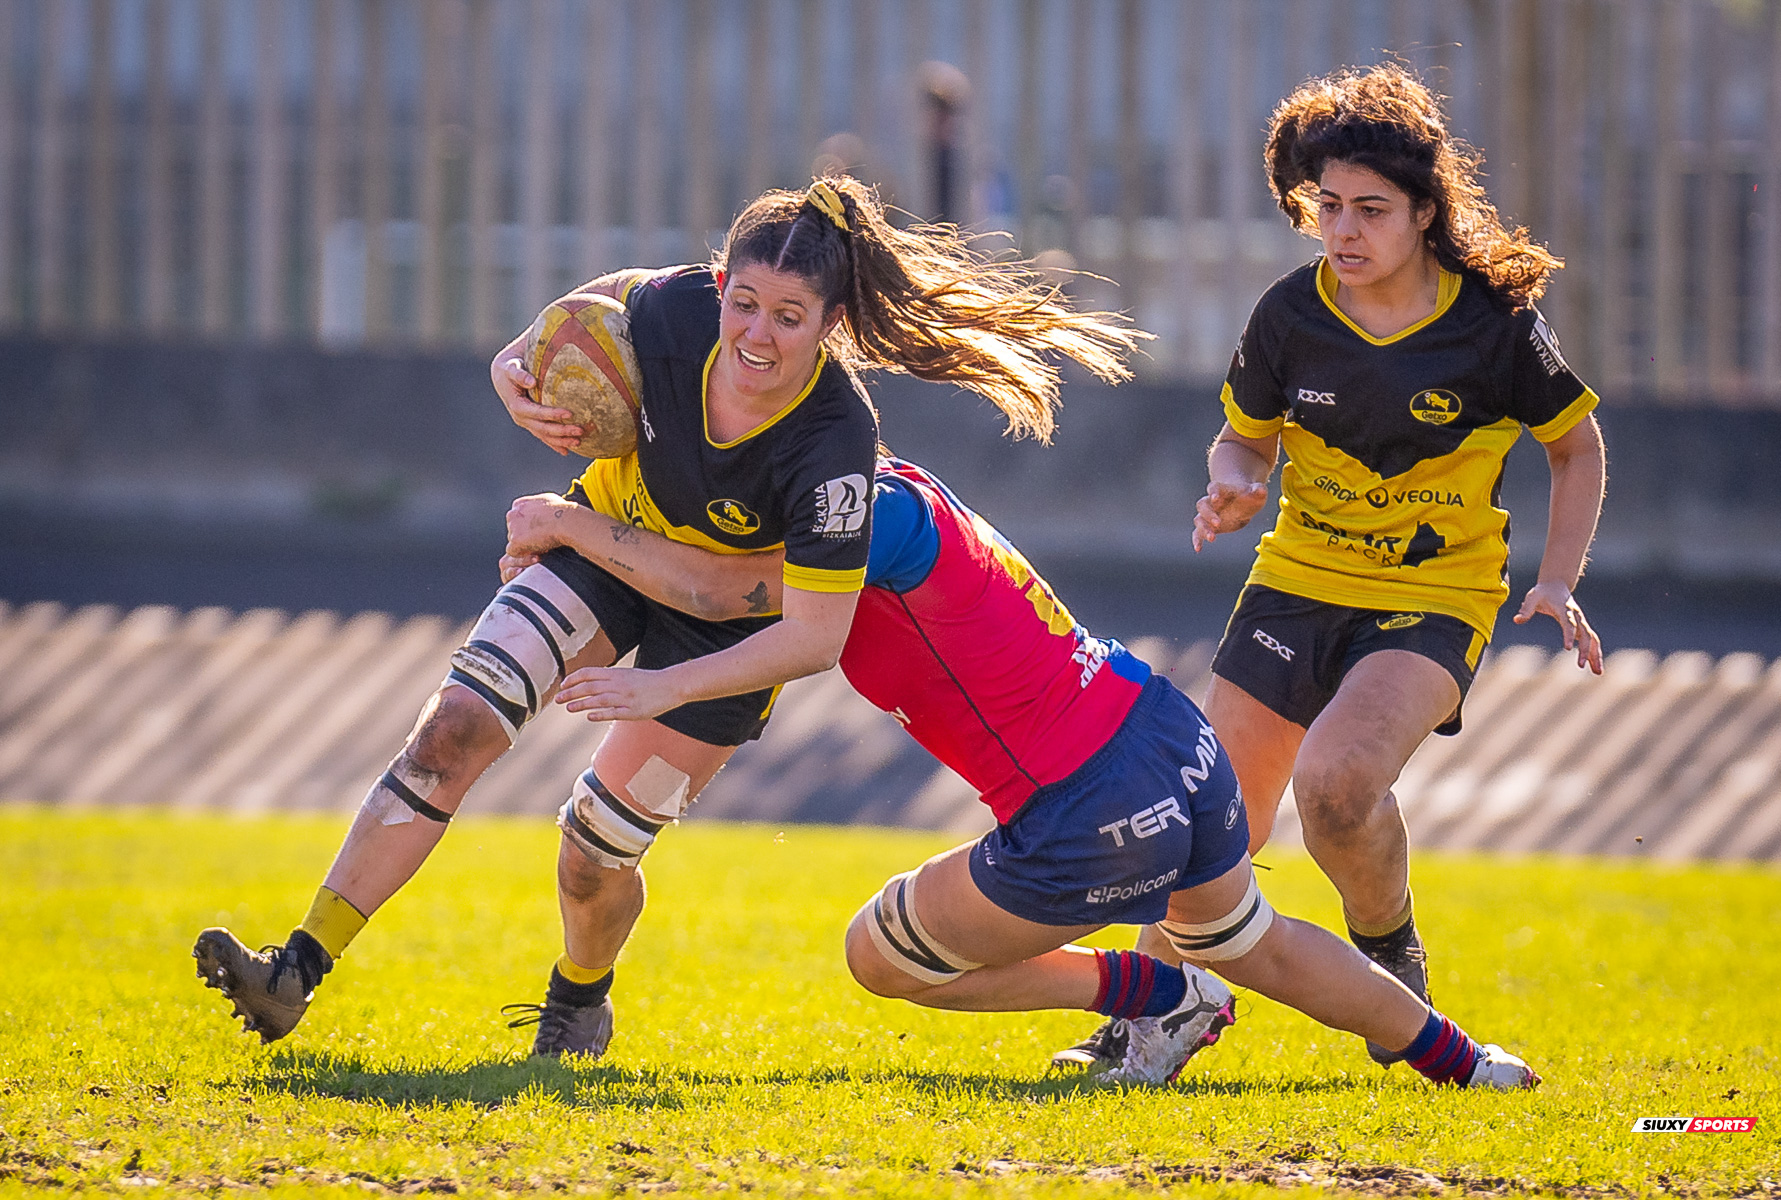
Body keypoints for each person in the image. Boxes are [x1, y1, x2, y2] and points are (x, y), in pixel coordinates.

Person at [191, 177, 1143, 1057]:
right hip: (605, 540)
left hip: (726, 632)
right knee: (452, 731)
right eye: (744, 305)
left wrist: (651, 670)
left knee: (590, 852)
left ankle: (577, 999)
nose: (757, 337)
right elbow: (582, 312)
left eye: (789, 317)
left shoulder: (837, 446)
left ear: (832, 323)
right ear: (718, 284)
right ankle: (296, 970)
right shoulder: (676, 305)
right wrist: (511, 369)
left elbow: (798, 631)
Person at [503, 456, 1540, 1089]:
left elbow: (720, 591)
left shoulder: (864, 516)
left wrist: (568, 527)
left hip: (1086, 802)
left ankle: (1156, 995)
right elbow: (701, 576)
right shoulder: (895, 486)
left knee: (880, 956)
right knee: (1250, 939)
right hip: (1167, 733)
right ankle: (1467, 1062)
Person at [1054, 64, 1607, 1073]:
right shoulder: (1289, 316)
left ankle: (1389, 946)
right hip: (1296, 582)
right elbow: (1243, 443)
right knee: (1206, 810)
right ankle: (1157, 1015)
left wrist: (1559, 580)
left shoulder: (1492, 324)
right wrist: (1231, 484)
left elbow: (1577, 448)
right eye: (1328, 208)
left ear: (1425, 214)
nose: (1344, 231)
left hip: (1434, 598)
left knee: (1339, 786)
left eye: (1371, 211)